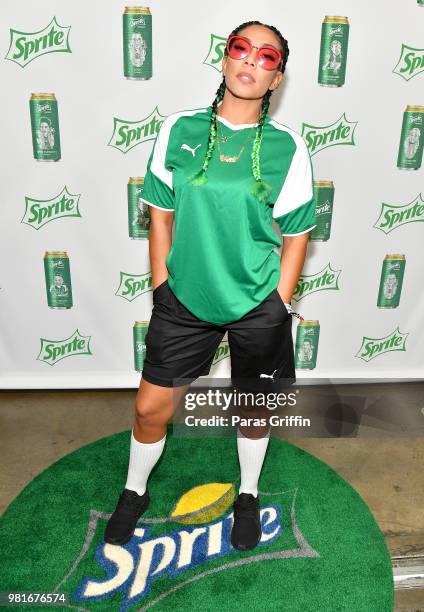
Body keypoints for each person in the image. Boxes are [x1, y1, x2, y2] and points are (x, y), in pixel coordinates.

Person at [104, 20, 316, 552]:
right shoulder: (179, 128)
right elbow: (160, 212)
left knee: (253, 407)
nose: (251, 61)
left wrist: (279, 303)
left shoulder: (289, 147)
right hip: (185, 299)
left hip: (257, 301)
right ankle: (134, 491)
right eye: (241, 49)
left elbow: (296, 234)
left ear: (277, 79)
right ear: (225, 60)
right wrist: (162, 286)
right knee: (151, 408)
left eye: (266, 57)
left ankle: (247, 493)